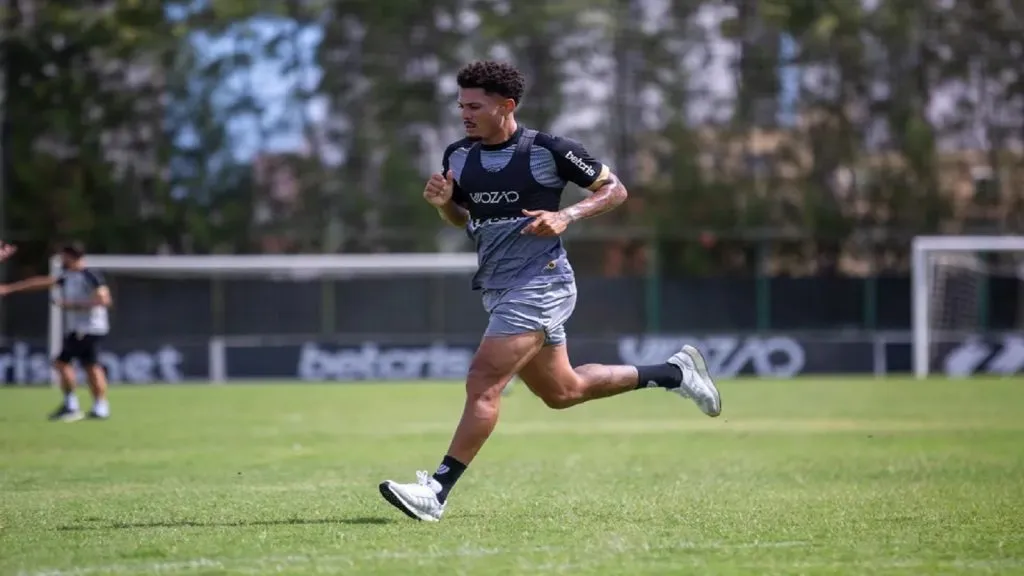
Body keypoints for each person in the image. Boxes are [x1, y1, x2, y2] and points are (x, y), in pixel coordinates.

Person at [377, 61, 722, 522]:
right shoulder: (458, 156)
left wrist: (566, 216)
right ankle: (674, 373)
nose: (464, 114)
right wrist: (444, 207)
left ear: (506, 106)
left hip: (542, 282)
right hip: (498, 287)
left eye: (474, 106)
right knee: (563, 390)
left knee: (483, 382)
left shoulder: (550, 150)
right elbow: (462, 219)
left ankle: (435, 491)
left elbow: (615, 190)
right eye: (461, 105)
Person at [0, 241, 113, 421]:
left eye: (64, 256)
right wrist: (11, 288)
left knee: (66, 363)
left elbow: (104, 300)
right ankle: (97, 406)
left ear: (71, 256)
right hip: (79, 329)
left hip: (89, 328)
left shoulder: (90, 275)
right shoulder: (68, 276)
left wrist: (70, 305)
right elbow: (41, 282)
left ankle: (75, 406)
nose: (62, 259)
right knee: (86, 366)